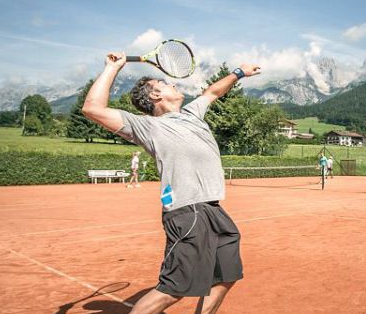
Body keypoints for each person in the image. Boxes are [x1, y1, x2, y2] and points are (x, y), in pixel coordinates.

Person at [82, 51, 260, 314]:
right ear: (155, 96)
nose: (173, 83)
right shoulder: (146, 127)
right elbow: (92, 109)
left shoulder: (191, 113)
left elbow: (212, 92)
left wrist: (239, 72)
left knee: (227, 273)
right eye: (165, 84)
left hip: (213, 209)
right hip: (187, 213)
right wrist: (112, 67)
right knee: (173, 289)